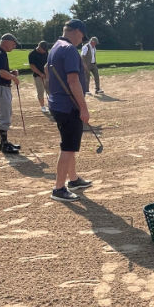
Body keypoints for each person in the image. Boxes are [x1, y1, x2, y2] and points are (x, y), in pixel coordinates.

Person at [46, 20, 92, 202]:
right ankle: (58, 188)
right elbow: (73, 81)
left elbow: (47, 75)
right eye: (82, 36)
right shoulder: (70, 49)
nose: (82, 40)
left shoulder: (55, 47)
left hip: (57, 103)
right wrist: (83, 107)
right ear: (77, 32)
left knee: (70, 145)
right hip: (68, 106)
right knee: (67, 147)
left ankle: (73, 179)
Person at [0, 33, 21, 154]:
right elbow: (2, 73)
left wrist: (11, 72)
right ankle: (4, 144)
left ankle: (4, 142)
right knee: (4, 115)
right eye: (13, 44)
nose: (14, 46)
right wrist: (14, 78)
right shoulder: (0, 54)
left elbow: (1, 71)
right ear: (6, 41)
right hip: (0, 89)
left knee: (3, 114)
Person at [29, 40, 49, 113]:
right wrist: (41, 74)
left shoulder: (46, 52)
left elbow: (48, 63)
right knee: (40, 91)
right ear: (39, 47)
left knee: (49, 90)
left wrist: (47, 74)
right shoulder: (32, 54)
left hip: (47, 75)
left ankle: (51, 104)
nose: (44, 51)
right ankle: (43, 106)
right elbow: (32, 66)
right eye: (43, 50)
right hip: (38, 76)